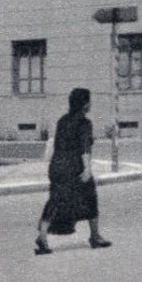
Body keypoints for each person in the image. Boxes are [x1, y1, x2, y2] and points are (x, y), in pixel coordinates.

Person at [35, 87, 112, 254]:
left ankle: (42, 238)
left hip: (57, 166)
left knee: (54, 200)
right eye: (89, 101)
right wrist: (87, 168)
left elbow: (56, 144)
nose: (90, 104)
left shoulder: (62, 120)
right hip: (74, 167)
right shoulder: (84, 123)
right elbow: (85, 148)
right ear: (85, 104)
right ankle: (95, 237)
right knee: (90, 198)